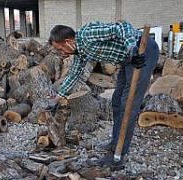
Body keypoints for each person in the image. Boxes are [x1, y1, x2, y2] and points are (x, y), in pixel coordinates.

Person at [48, 21, 159, 169]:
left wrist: (132, 48)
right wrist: (59, 96)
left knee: (128, 106)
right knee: (117, 101)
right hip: (127, 59)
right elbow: (74, 74)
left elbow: (121, 27)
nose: (61, 52)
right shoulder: (80, 52)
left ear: (68, 41)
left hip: (142, 51)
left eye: (60, 48)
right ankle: (115, 143)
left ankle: (118, 156)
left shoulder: (87, 36)